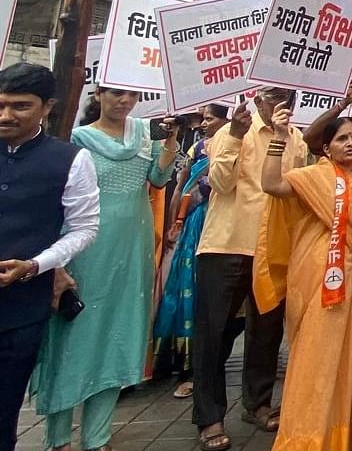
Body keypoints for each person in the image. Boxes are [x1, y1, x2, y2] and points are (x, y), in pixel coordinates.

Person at [28, 86, 177, 451]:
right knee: (73, 338)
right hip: (86, 248)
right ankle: (58, 438)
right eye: (115, 93)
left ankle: (97, 436)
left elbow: (158, 180)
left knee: (118, 334)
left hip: (133, 248)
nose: (123, 101)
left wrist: (170, 142)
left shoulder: (145, 133)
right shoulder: (76, 137)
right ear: (99, 94)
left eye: (131, 94)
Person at [257, 108, 352, 450]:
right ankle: (304, 439)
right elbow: (271, 185)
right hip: (316, 276)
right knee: (314, 357)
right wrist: (279, 140)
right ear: (326, 148)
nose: (351, 143)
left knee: (347, 361)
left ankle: (339, 436)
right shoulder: (313, 175)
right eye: (342, 138)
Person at [193, 88, 308, 451]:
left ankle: (257, 403)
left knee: (267, 330)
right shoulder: (229, 132)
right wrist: (236, 135)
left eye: (287, 95)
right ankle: (209, 417)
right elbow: (221, 184)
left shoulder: (297, 138)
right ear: (258, 98)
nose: (280, 102)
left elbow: (297, 190)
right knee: (214, 333)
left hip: (274, 247)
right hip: (227, 243)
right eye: (274, 95)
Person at [0, 63, 100, 451]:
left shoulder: (72, 160)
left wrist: (37, 265)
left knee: (5, 409)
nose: (6, 115)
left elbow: (84, 228)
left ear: (47, 107)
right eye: (2, 105)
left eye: (20, 106)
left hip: (22, 307)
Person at [155, 103, 230, 401]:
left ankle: (201, 367)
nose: (203, 123)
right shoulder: (198, 147)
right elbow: (181, 186)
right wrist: (176, 222)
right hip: (194, 222)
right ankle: (181, 365)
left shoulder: (237, 142)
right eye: (203, 119)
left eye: (210, 119)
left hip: (219, 221)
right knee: (185, 285)